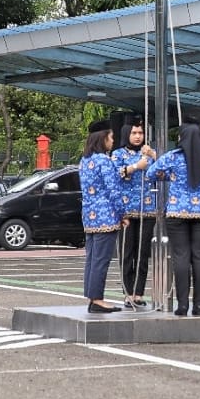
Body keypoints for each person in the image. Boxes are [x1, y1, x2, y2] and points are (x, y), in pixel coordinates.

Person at [145, 121, 200, 316]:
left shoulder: (172, 157)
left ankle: (183, 305)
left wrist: (171, 176)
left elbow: (151, 173)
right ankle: (199, 306)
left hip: (177, 211)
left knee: (181, 257)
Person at [79, 119, 126, 314]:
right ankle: (97, 299)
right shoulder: (104, 161)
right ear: (103, 138)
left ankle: (92, 296)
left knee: (92, 258)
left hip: (89, 216)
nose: (113, 141)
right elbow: (113, 190)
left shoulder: (84, 161)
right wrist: (122, 213)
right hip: (106, 216)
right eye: (111, 137)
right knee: (101, 260)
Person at [112, 116, 157, 309]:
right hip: (126, 211)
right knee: (127, 253)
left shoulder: (148, 153)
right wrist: (135, 167)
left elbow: (163, 171)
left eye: (140, 133)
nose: (138, 136)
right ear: (127, 134)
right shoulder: (118, 154)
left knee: (142, 254)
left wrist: (153, 155)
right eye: (134, 133)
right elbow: (114, 174)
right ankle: (127, 293)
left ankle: (138, 293)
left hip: (147, 210)